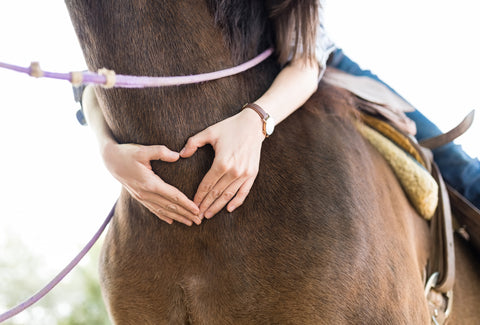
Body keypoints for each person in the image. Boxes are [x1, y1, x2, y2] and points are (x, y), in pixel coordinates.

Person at [78, 0, 480, 226]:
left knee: (459, 170)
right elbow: (99, 79)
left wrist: (256, 120)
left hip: (309, 61)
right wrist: (107, 152)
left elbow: (306, 59)